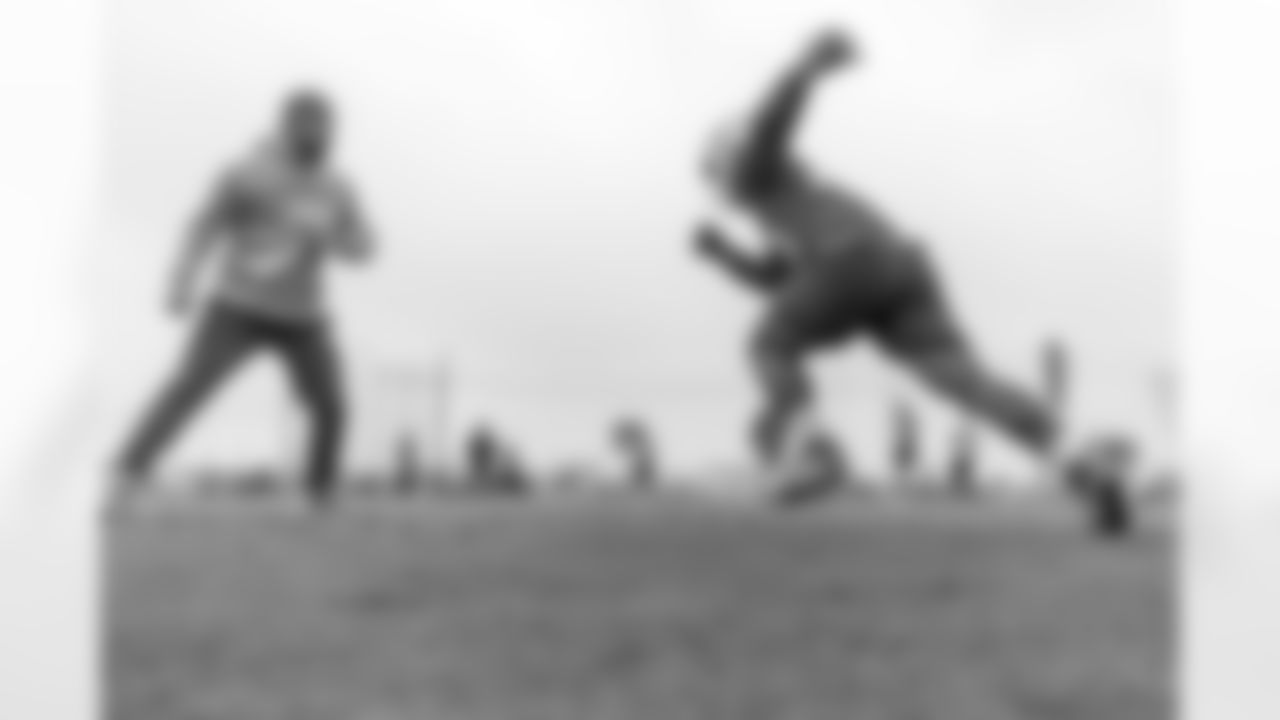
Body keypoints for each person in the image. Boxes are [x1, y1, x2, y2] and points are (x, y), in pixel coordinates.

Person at [693, 27, 1135, 536]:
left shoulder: (755, 173)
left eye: (714, 174)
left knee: (768, 345)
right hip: (901, 268)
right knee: (968, 381)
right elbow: (784, 285)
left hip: (846, 260)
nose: (720, 188)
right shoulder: (797, 200)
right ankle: (1084, 468)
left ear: (725, 162)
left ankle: (808, 453)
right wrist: (725, 256)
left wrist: (805, 66)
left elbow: (770, 124)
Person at [114, 87, 376, 508]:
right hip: (237, 306)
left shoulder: (338, 187)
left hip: (304, 316)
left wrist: (329, 235)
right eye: (308, 129)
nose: (319, 139)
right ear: (287, 128)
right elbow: (203, 226)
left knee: (331, 404)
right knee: (188, 386)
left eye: (326, 130)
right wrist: (181, 279)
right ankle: (127, 473)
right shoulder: (247, 173)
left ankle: (320, 493)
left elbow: (365, 248)